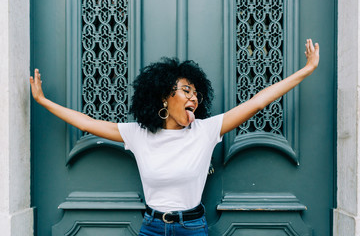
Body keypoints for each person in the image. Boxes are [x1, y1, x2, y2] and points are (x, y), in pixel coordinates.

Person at [30, 39, 320, 236]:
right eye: (185, 91)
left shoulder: (205, 131)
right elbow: (89, 123)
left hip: (193, 227)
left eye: (196, 93)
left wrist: (305, 71)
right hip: (152, 227)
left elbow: (257, 102)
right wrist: (44, 101)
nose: (193, 97)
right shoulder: (138, 135)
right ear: (165, 97)